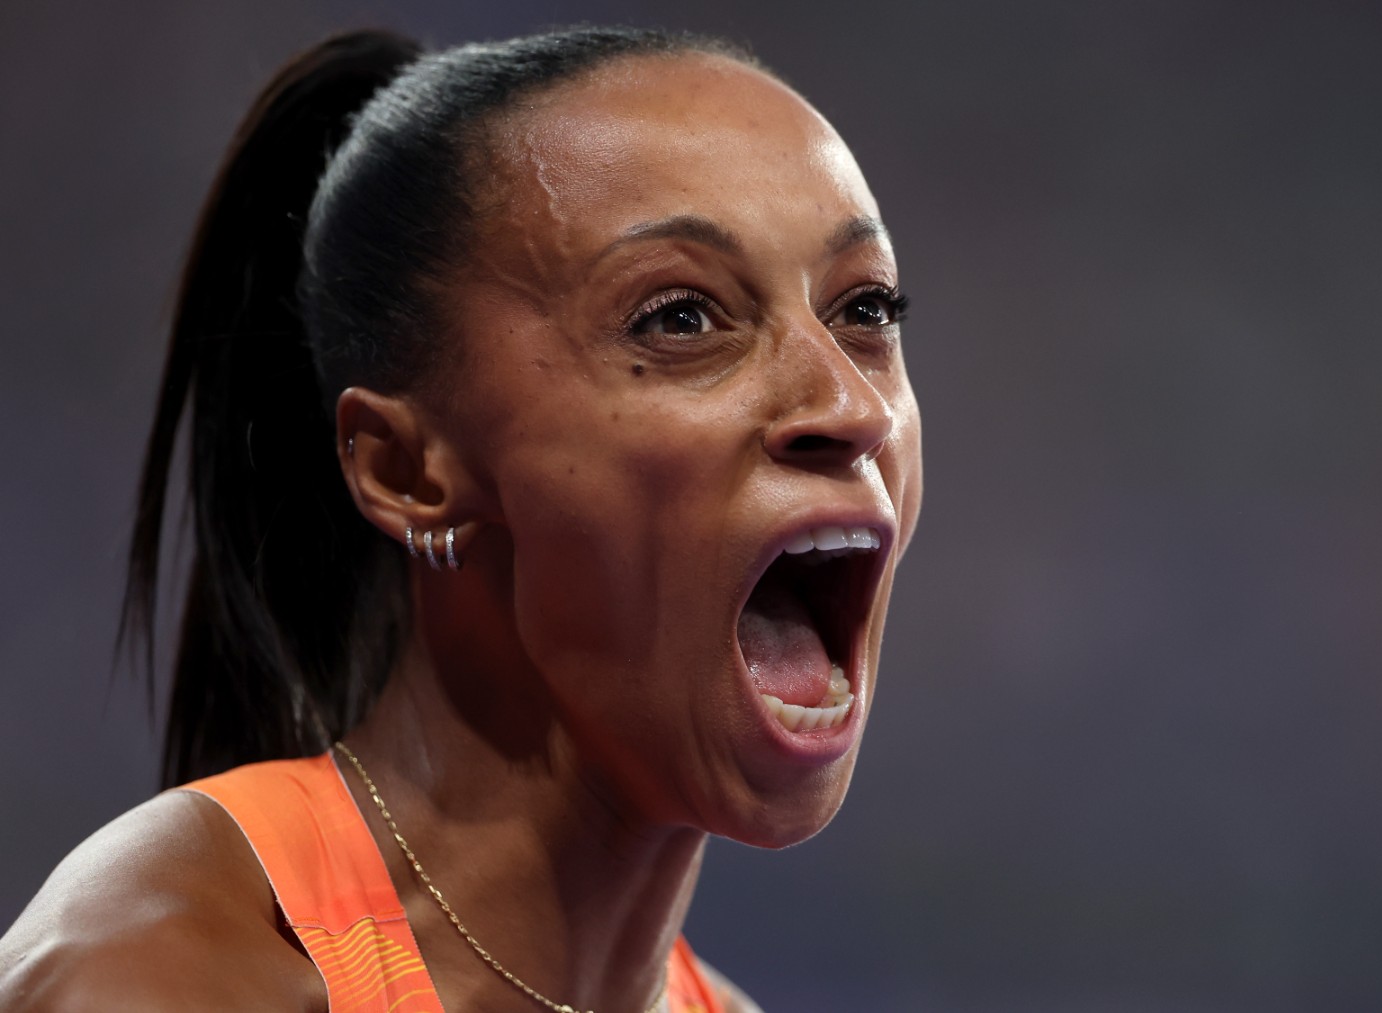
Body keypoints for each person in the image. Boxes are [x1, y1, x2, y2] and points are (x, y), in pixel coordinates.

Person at [0, 24, 922, 1012]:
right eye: (681, 316)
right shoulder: (165, 971)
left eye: (864, 307)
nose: (851, 406)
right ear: (407, 468)